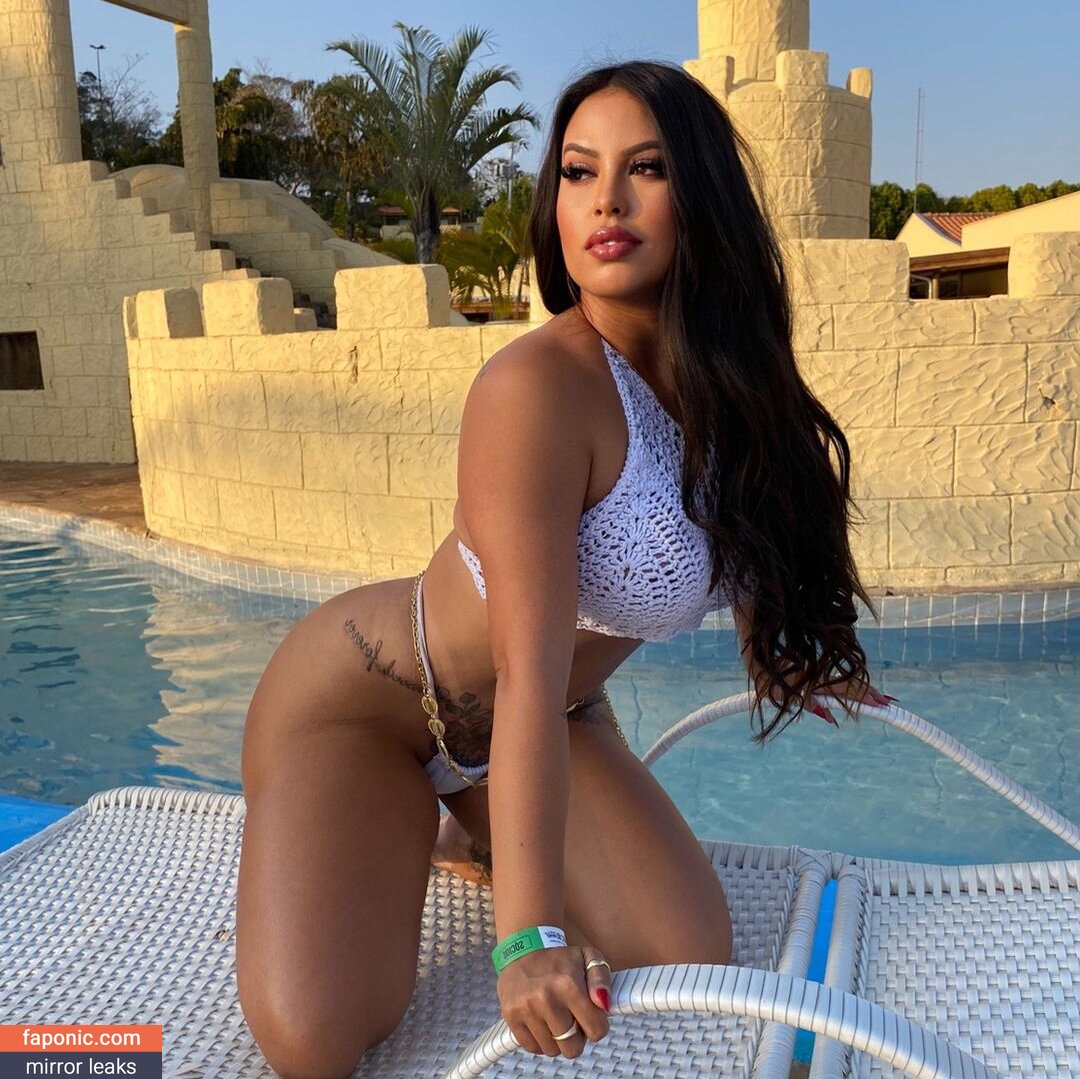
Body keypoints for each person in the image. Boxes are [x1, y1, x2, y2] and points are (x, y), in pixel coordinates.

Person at [235, 58, 888, 1079]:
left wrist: (791, 654)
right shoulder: (536, 389)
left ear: (702, 196)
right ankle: (373, 818)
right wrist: (527, 940)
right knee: (316, 1044)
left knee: (684, 947)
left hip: (549, 726)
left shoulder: (730, 385)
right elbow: (528, 674)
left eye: (647, 169)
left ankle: (468, 831)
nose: (606, 202)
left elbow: (742, 536)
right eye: (579, 172)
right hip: (371, 711)